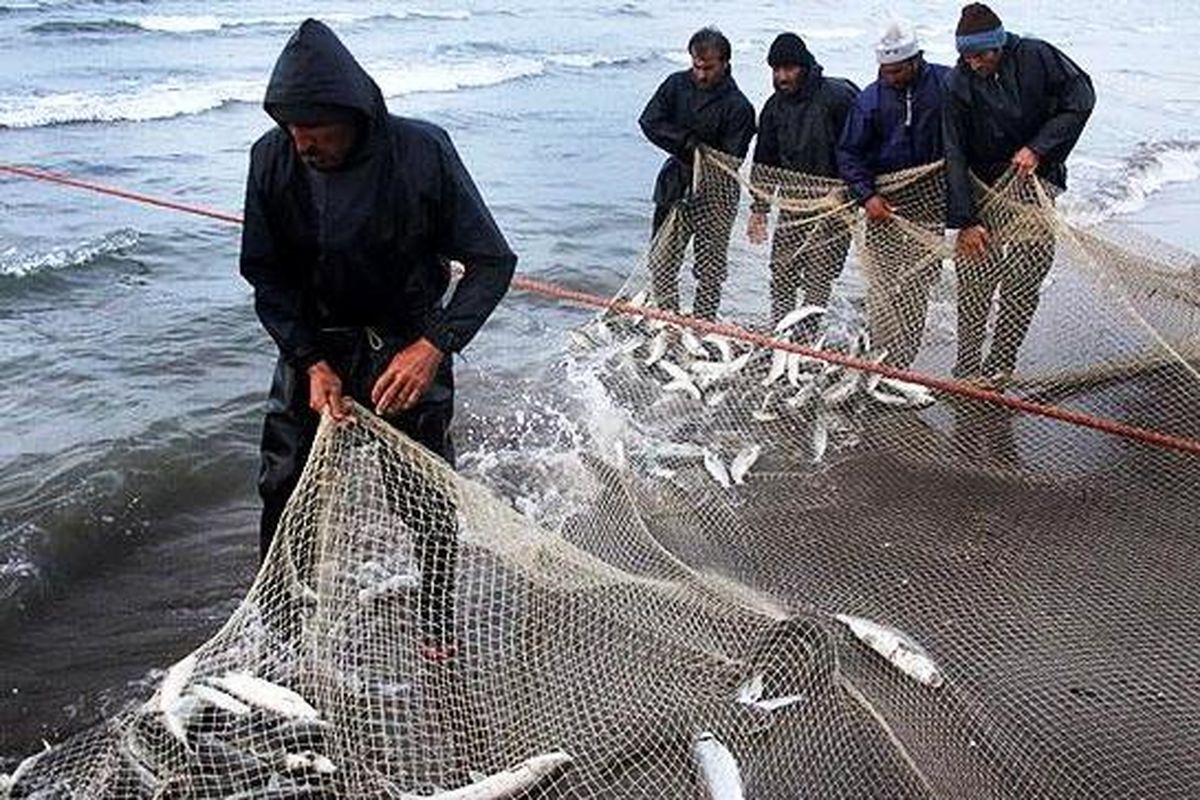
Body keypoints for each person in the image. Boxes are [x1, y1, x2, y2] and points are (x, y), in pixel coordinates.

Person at [239, 19, 517, 661]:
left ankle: (436, 618)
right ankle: (280, 623)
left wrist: (433, 346)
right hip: (317, 349)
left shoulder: (423, 152)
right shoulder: (271, 158)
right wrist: (307, 360)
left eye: (317, 134)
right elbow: (267, 275)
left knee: (424, 496)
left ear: (357, 115)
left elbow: (491, 262)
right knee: (282, 486)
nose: (303, 146)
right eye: (293, 132)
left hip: (404, 346)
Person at [944, 3, 1094, 387]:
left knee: (1025, 276)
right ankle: (966, 364)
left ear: (999, 45)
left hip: (1035, 184)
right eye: (966, 56)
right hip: (984, 187)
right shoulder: (957, 83)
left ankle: (1001, 363)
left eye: (981, 55)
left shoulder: (1036, 56)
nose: (974, 63)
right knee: (975, 278)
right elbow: (954, 153)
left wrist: (1039, 147)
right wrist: (966, 220)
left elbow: (1081, 98)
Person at [837, 21, 950, 369]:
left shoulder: (947, 84)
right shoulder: (869, 98)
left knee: (917, 287)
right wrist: (866, 195)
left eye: (897, 70)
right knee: (881, 285)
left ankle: (903, 362)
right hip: (882, 206)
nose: (889, 75)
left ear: (916, 60)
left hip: (930, 205)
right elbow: (849, 153)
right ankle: (878, 359)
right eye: (884, 69)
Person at [639, 27, 756, 320]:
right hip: (675, 182)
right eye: (696, 66)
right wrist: (685, 142)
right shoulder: (676, 85)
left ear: (725, 63)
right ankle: (668, 319)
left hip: (718, 192)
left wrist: (702, 154)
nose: (701, 75)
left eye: (709, 68)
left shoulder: (739, 107)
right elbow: (649, 121)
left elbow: (732, 159)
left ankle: (704, 323)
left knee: (710, 269)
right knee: (662, 260)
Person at [748, 33, 859, 329]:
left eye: (789, 69)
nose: (782, 76)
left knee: (819, 274)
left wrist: (859, 192)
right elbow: (764, 160)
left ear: (805, 67)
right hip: (793, 203)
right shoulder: (773, 107)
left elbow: (861, 147)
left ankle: (808, 342)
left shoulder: (838, 97)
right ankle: (781, 331)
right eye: (776, 70)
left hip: (836, 204)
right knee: (781, 269)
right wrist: (759, 209)